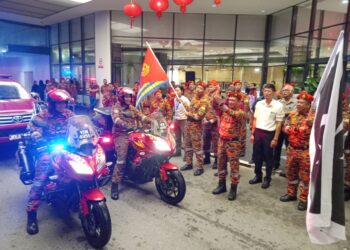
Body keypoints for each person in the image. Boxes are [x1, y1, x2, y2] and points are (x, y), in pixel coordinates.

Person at [26, 89, 75, 235]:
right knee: (40, 178)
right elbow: (33, 127)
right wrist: (36, 135)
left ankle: (76, 198)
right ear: (52, 104)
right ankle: (31, 214)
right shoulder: (43, 115)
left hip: (68, 148)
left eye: (64, 102)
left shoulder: (69, 114)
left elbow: (78, 124)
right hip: (48, 149)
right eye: (58, 103)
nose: (62, 105)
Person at [110, 87, 150, 200]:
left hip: (133, 132)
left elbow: (141, 116)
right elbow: (116, 119)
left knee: (146, 148)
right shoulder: (116, 107)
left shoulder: (131, 107)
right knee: (121, 158)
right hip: (121, 134)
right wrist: (127, 125)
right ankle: (115, 184)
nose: (128, 98)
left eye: (129, 96)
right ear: (121, 97)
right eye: (126, 96)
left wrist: (152, 120)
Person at [280, 91, 314, 211]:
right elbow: (285, 127)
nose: (298, 104)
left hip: (305, 151)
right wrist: (297, 129)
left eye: (302, 103)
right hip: (292, 149)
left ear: (308, 104)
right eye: (298, 102)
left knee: (305, 177)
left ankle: (303, 199)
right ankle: (291, 194)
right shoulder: (293, 114)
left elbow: (307, 132)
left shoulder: (313, 117)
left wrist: (292, 129)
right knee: (290, 173)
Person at [249, 83, 284, 189]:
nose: (266, 93)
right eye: (265, 91)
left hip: (269, 134)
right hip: (258, 132)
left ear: (273, 92)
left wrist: (275, 138)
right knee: (257, 156)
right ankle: (258, 175)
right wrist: (252, 134)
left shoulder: (278, 105)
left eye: (269, 91)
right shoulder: (259, 104)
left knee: (269, 158)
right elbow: (255, 119)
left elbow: (279, 123)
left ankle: (267, 178)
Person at [212, 92, 245, 200]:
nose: (230, 102)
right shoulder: (225, 112)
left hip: (233, 143)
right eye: (229, 100)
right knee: (220, 164)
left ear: (238, 102)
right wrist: (214, 97)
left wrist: (220, 102)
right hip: (222, 141)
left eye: (233, 100)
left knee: (234, 167)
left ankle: (233, 189)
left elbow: (230, 112)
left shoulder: (240, 113)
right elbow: (215, 107)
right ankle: (221, 185)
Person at [180, 81, 210, 176]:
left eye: (201, 88)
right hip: (188, 125)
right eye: (198, 87)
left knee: (197, 148)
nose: (198, 89)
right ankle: (189, 163)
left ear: (204, 90)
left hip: (196, 127)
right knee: (187, 146)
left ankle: (200, 167)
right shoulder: (194, 98)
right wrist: (184, 104)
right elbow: (190, 109)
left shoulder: (205, 101)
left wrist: (189, 114)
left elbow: (198, 116)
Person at [273, 84, 297, 170]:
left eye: (286, 90)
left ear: (292, 92)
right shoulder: (278, 102)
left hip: (290, 128)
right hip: (279, 126)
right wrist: (287, 113)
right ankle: (275, 164)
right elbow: (275, 113)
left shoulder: (296, 102)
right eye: (283, 90)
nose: (284, 92)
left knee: (289, 147)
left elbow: (294, 114)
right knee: (277, 146)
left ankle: (289, 167)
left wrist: (284, 113)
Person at [203, 80, 220, 169]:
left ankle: (217, 161)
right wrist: (204, 118)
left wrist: (212, 120)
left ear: (216, 87)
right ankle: (207, 158)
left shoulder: (217, 97)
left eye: (212, 86)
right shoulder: (206, 96)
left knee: (215, 143)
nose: (210, 88)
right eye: (209, 86)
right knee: (206, 141)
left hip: (214, 124)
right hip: (206, 123)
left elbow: (220, 112)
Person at [173, 85, 190, 156]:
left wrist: (183, 102)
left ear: (182, 91)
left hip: (184, 120)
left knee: (185, 137)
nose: (176, 91)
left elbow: (189, 108)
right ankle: (178, 151)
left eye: (177, 90)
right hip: (176, 119)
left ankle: (187, 153)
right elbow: (175, 109)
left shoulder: (185, 99)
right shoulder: (175, 99)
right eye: (175, 90)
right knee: (177, 137)